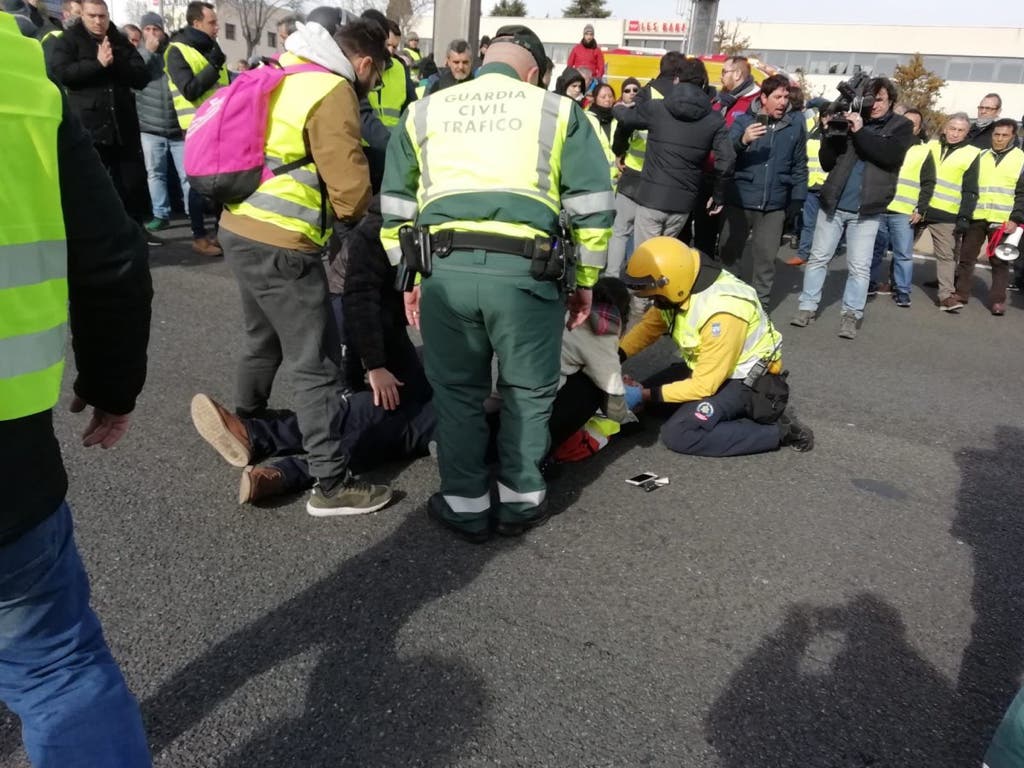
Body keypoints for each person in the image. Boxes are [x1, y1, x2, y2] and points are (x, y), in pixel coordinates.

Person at [381, 24, 614, 542]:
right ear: (533, 73)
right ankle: (520, 502)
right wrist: (587, 281)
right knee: (528, 393)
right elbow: (593, 206)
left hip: (445, 271)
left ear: (485, 59)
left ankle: (464, 505)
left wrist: (409, 274)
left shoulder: (425, 109)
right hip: (527, 275)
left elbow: (396, 203)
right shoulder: (556, 112)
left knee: (458, 393)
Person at [1, 11, 153, 764]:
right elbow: (114, 258)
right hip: (7, 461)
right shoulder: (21, 71)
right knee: (55, 667)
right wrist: (114, 386)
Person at [218, 17, 393, 516]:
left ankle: (248, 426)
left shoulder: (286, 68)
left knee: (263, 337)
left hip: (239, 223)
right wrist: (358, 215)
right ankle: (333, 486)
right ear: (363, 63)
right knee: (317, 365)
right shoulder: (332, 87)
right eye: (376, 75)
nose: (373, 84)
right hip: (282, 240)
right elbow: (351, 190)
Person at [620, 238, 813, 456]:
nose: (652, 302)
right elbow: (649, 328)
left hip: (743, 380)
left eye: (653, 296)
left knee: (679, 433)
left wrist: (643, 394)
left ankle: (780, 430)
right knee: (650, 398)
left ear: (670, 283)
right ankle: (720, 413)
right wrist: (615, 356)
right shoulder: (682, 281)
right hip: (709, 366)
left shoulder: (723, 311)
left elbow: (704, 386)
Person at [791, 77, 914, 338]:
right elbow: (827, 163)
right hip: (833, 203)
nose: (874, 105)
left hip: (867, 209)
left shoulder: (900, 126)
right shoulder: (852, 118)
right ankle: (807, 306)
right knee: (818, 259)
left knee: (859, 266)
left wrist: (859, 131)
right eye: (869, 99)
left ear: (890, 100)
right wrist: (830, 132)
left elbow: (888, 156)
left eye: (880, 99)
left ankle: (851, 314)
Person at [48, 0, 153, 229]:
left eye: (102, 16)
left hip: (122, 127)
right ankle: (97, 238)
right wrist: (97, 64)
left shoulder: (119, 40)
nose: (98, 21)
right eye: (92, 16)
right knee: (91, 187)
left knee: (131, 185)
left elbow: (141, 76)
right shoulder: (68, 40)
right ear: (82, 15)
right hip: (90, 128)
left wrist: (114, 63)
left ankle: (135, 233)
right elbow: (62, 73)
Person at [614, 55, 733, 249]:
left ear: (677, 80)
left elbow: (627, 119)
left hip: (651, 198)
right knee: (665, 257)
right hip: (683, 204)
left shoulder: (656, 108)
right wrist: (718, 194)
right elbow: (727, 160)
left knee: (645, 260)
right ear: (703, 84)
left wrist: (617, 108)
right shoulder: (714, 120)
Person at [719, 74, 808, 307]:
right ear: (764, 98)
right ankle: (729, 304)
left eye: (786, 97)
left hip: (774, 205)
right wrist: (743, 140)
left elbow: (800, 164)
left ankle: (760, 309)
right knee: (730, 256)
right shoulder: (743, 120)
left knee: (766, 261)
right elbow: (725, 155)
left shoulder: (796, 123)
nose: (782, 102)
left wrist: (797, 199)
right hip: (740, 200)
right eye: (777, 97)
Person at [165, 0, 229, 257]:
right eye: (212, 23)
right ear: (196, 23)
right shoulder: (176, 50)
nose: (217, 28)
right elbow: (189, 89)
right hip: (197, 128)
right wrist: (213, 66)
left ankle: (220, 232)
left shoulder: (213, 49)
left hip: (223, 127)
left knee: (223, 183)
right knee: (198, 184)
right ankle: (199, 236)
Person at [953, 118, 1024, 315]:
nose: (999, 139)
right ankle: (961, 293)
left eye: (1004, 135)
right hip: (977, 215)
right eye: (996, 134)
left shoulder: (1021, 159)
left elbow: (1022, 194)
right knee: (966, 257)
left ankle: (997, 301)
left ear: (1013, 137)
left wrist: (1015, 219)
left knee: (999, 262)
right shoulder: (981, 155)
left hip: (1002, 221)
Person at [869, 107, 935, 308]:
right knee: (874, 250)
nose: (908, 127)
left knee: (903, 254)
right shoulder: (885, 143)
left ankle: (902, 290)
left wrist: (920, 209)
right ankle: (869, 283)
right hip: (879, 207)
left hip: (904, 211)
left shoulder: (923, 151)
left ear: (918, 128)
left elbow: (928, 182)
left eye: (913, 124)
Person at [918, 113, 981, 311]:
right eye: (952, 128)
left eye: (960, 130)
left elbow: (970, 189)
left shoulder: (972, 153)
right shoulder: (930, 146)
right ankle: (893, 284)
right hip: (919, 208)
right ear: (945, 128)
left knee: (946, 256)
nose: (955, 133)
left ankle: (946, 296)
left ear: (966, 133)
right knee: (902, 249)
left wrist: (964, 217)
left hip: (946, 214)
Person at [134, 12, 186, 236]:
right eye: (148, 29)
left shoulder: (174, 53)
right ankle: (160, 214)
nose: (153, 33)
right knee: (155, 173)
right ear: (142, 31)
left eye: (156, 29)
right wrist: (148, 51)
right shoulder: (138, 55)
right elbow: (134, 78)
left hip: (177, 126)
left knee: (187, 173)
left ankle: (192, 212)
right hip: (150, 126)